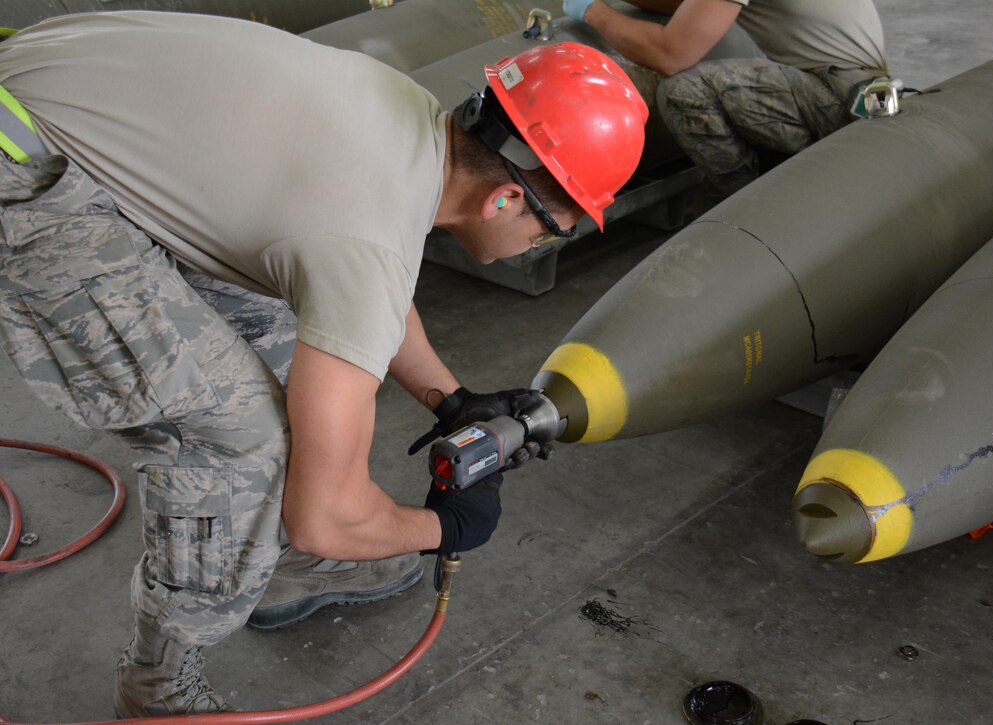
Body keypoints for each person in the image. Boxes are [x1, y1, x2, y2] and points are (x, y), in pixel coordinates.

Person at [0, 11, 647, 717]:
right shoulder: (365, 238)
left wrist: (453, 401)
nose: (540, 246)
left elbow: (365, 280)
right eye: (555, 226)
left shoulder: (412, 126)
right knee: (237, 438)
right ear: (506, 197)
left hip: (56, 107)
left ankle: (270, 560)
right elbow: (326, 513)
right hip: (26, 163)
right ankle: (159, 687)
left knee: (286, 341)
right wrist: (445, 528)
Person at [562, 0, 889, 195]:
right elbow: (686, 6)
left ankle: (743, 210)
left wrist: (593, 12)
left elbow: (669, 54)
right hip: (864, 95)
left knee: (684, 91)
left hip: (838, 102)